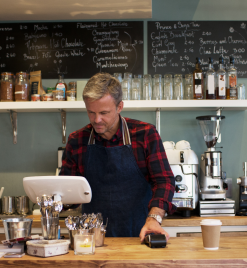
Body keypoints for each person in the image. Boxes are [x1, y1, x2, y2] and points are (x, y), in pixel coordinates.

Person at [60, 72, 176, 241]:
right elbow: (68, 192)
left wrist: (154, 218)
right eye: (91, 112)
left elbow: (164, 181)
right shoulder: (77, 140)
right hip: (91, 240)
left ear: (119, 106)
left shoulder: (145, 134)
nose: (97, 119)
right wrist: (56, 201)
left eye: (104, 113)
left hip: (140, 234)